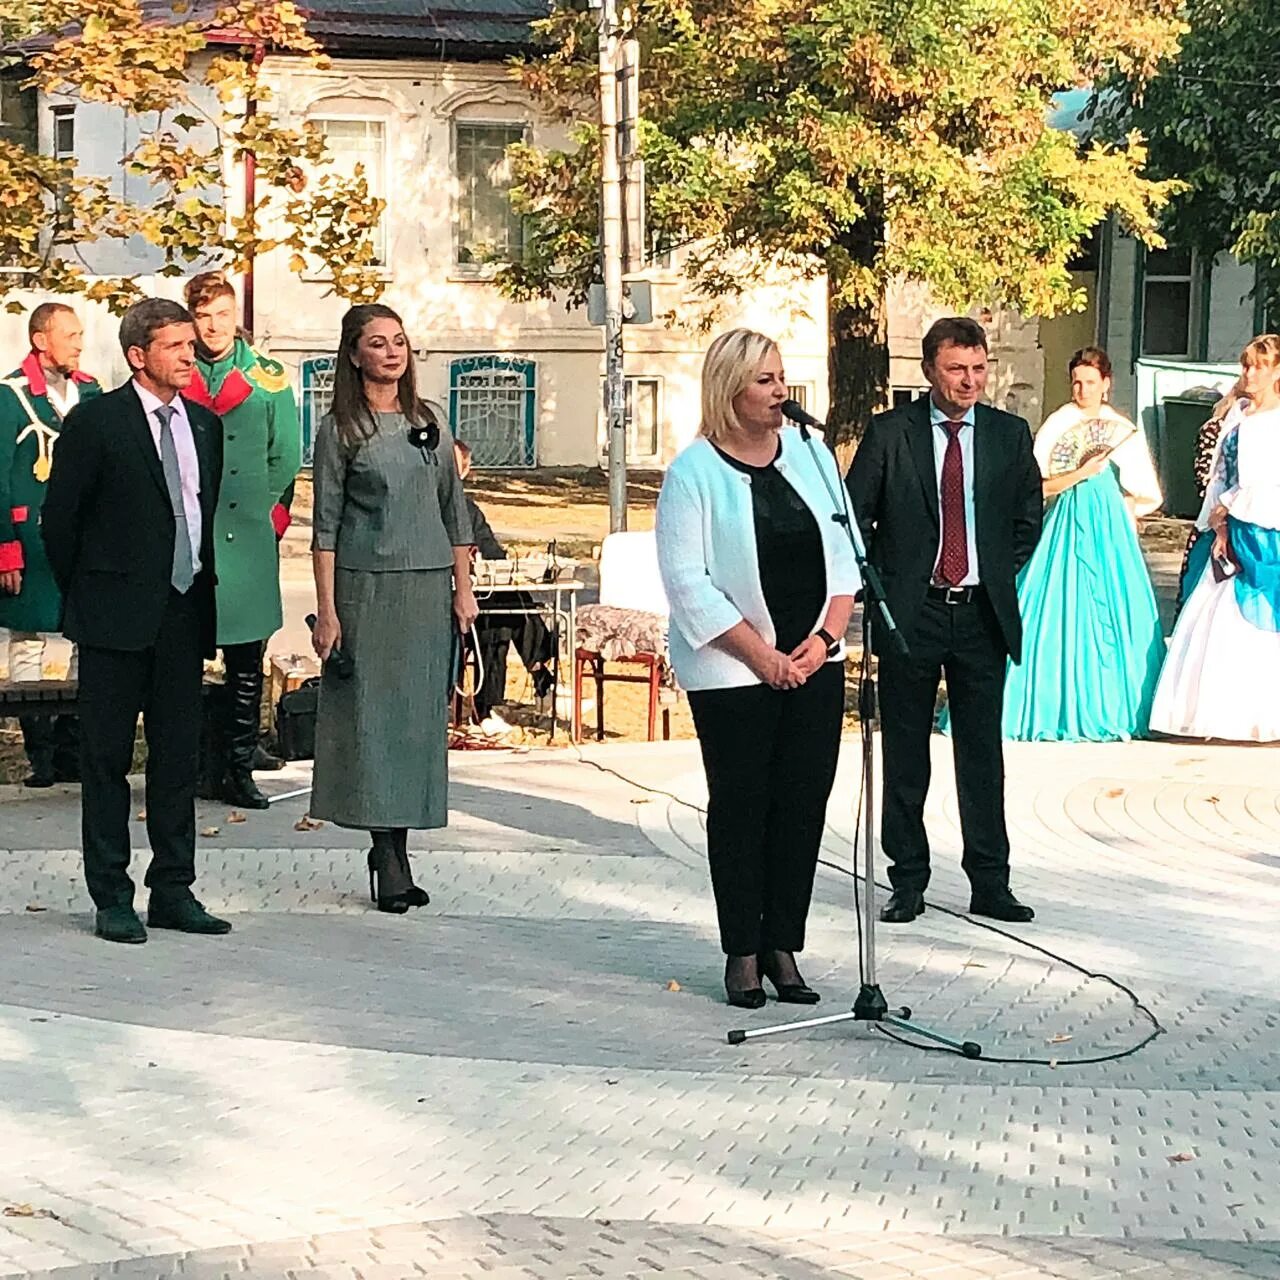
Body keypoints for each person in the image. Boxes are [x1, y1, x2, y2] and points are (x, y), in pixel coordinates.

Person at [655, 328, 859, 1009]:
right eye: (765, 381)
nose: (780, 393)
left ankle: (784, 947)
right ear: (729, 389)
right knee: (743, 808)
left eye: (782, 378)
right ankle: (742, 950)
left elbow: (844, 554)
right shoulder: (695, 472)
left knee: (802, 804)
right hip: (733, 670)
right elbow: (688, 581)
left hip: (813, 662)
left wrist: (825, 641)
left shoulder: (810, 453)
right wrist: (763, 657)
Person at [41, 298, 229, 944]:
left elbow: (198, 515)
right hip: (113, 618)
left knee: (177, 758)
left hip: (183, 613)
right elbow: (59, 523)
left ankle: (174, 889)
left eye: (189, 344)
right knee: (106, 760)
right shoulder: (98, 423)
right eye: (175, 346)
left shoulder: (205, 425)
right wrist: (94, 591)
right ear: (137, 356)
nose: (189, 354)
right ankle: (112, 894)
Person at [846, 317, 1042, 927]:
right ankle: (907, 879)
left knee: (981, 754)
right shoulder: (890, 434)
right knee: (906, 753)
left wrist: (988, 573)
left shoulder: (1010, 435)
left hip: (981, 613)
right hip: (913, 614)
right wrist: (887, 588)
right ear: (930, 369)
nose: (970, 381)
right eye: (958, 369)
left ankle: (990, 881)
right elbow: (856, 520)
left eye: (979, 368)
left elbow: (1025, 520)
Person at [309, 304, 477, 912]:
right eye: (377, 343)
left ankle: (399, 845)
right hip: (367, 589)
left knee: (415, 725)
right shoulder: (340, 429)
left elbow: (454, 511)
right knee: (374, 724)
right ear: (354, 355)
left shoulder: (428, 419)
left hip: (427, 587)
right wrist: (328, 612)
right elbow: (324, 527)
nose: (391, 351)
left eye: (399, 341)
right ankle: (388, 852)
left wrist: (463, 589)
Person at [996, 347, 1164, 741]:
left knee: (1121, 610)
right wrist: (1080, 473)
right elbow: (1038, 485)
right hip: (1067, 523)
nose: (1082, 389)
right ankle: (1052, 703)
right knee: (1052, 606)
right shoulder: (1060, 423)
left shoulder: (1119, 427)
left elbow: (1141, 490)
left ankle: (1120, 704)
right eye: (1076, 381)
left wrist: (1128, 517)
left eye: (1090, 382)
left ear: (1106, 384)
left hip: (1111, 529)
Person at [183, 272, 302, 808]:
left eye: (223, 314)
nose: (213, 326)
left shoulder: (269, 378)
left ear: (237, 317)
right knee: (180, 659)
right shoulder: (177, 374)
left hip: (247, 537)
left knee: (246, 661)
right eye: (203, 316)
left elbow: (286, 454)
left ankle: (238, 766)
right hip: (186, 535)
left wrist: (266, 512)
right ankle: (184, 769)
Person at [1150, 334, 1280, 741]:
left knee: (1264, 619)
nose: (1250, 373)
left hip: (1268, 528)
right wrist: (1217, 520)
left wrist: (1235, 509)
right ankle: (1218, 715)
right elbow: (1221, 474)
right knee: (1216, 615)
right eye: (1246, 364)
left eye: (1260, 365)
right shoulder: (1236, 415)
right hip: (1234, 527)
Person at [0, 303, 102, 787]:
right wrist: (5, 549)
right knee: (28, 642)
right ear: (42, 340)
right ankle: (40, 755)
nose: (80, 343)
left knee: (86, 634)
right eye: (71, 335)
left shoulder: (91, 391)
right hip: (29, 538)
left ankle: (72, 749)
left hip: (84, 536)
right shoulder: (8, 397)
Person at [453, 439, 555, 725]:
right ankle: (541, 674)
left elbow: (494, 553)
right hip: (443, 601)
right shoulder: (426, 506)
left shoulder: (469, 509)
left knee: (505, 612)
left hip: (477, 596)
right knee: (502, 615)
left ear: (464, 471)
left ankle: (491, 710)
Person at [1176, 381, 1244, 613]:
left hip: (1252, 523)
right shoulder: (1217, 428)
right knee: (1202, 597)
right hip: (1215, 523)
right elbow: (1205, 480)